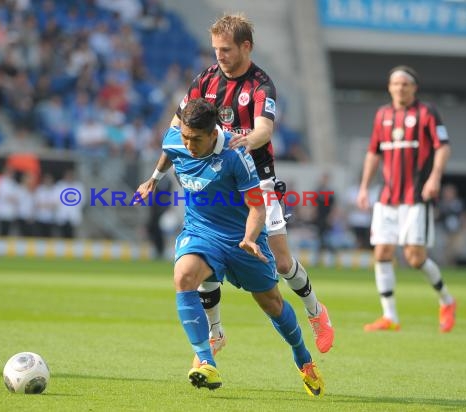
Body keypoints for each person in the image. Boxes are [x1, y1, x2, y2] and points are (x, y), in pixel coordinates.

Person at [136, 13, 334, 361]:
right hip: (217, 181)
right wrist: (163, 165)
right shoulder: (205, 79)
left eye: (226, 49)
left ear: (246, 46)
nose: (219, 56)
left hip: (258, 180)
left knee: (283, 262)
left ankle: (316, 312)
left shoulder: (261, 85)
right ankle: (214, 333)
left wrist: (236, 141)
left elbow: (264, 131)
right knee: (203, 255)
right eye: (215, 49)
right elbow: (178, 123)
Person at [163, 98, 324, 394]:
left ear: (213, 134)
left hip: (242, 237)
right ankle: (205, 360)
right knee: (184, 277)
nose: (188, 145)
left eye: (195, 139)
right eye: (185, 137)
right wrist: (153, 178)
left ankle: (303, 357)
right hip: (202, 231)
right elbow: (168, 151)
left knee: (272, 305)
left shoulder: (236, 156)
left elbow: (257, 209)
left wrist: (250, 238)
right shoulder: (176, 140)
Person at [357, 65, 456, 333]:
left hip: (416, 195)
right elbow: (373, 153)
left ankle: (447, 300)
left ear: (414, 88)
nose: (400, 87)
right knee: (382, 252)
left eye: (405, 84)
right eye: (395, 83)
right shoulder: (383, 115)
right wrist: (364, 187)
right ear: (389, 87)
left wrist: (435, 177)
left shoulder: (427, 113)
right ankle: (390, 316)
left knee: (414, 257)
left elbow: (443, 147)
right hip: (388, 196)